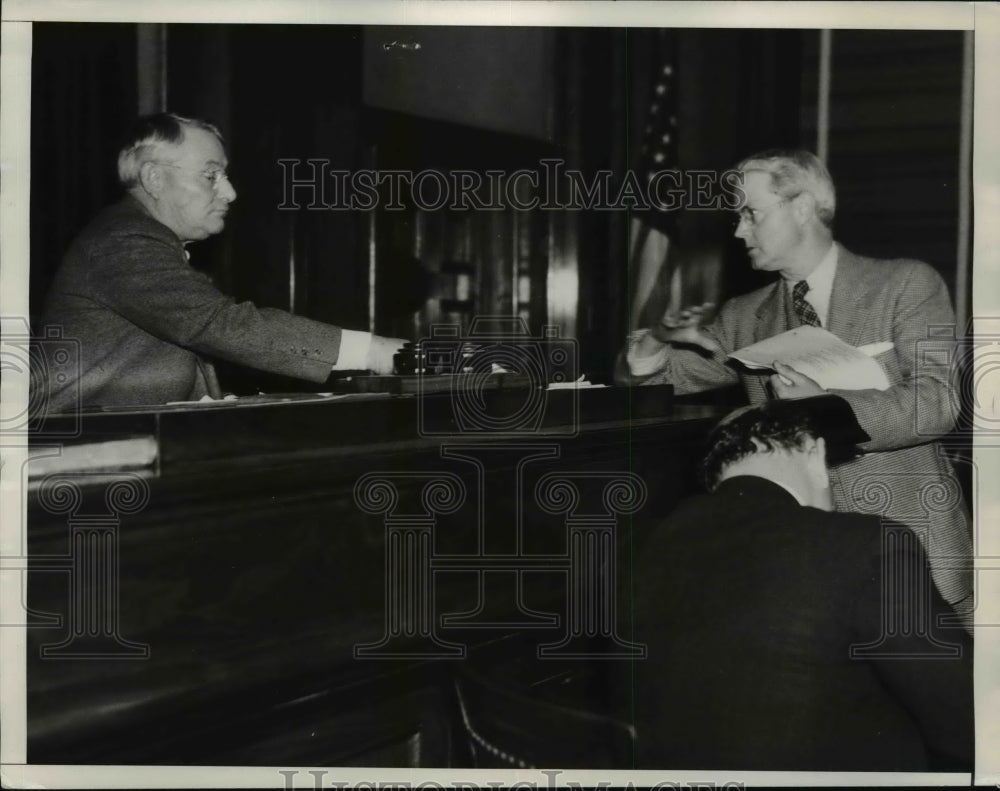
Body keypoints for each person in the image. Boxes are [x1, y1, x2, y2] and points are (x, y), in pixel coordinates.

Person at [619, 149, 973, 628]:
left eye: (751, 213)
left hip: (912, 548)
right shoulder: (744, 315)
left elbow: (938, 402)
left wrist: (825, 408)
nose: (739, 230)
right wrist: (655, 341)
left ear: (802, 207)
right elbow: (658, 381)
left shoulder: (907, 283)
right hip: (806, 563)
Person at [629, 397, 973, 771]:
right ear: (815, 453)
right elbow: (966, 715)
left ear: (717, 475)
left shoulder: (641, 546)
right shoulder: (865, 543)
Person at [37, 113, 406, 411]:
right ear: (154, 178)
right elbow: (218, 324)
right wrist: (370, 350)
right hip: (83, 455)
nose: (229, 193)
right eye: (211, 176)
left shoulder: (144, 239)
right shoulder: (123, 240)